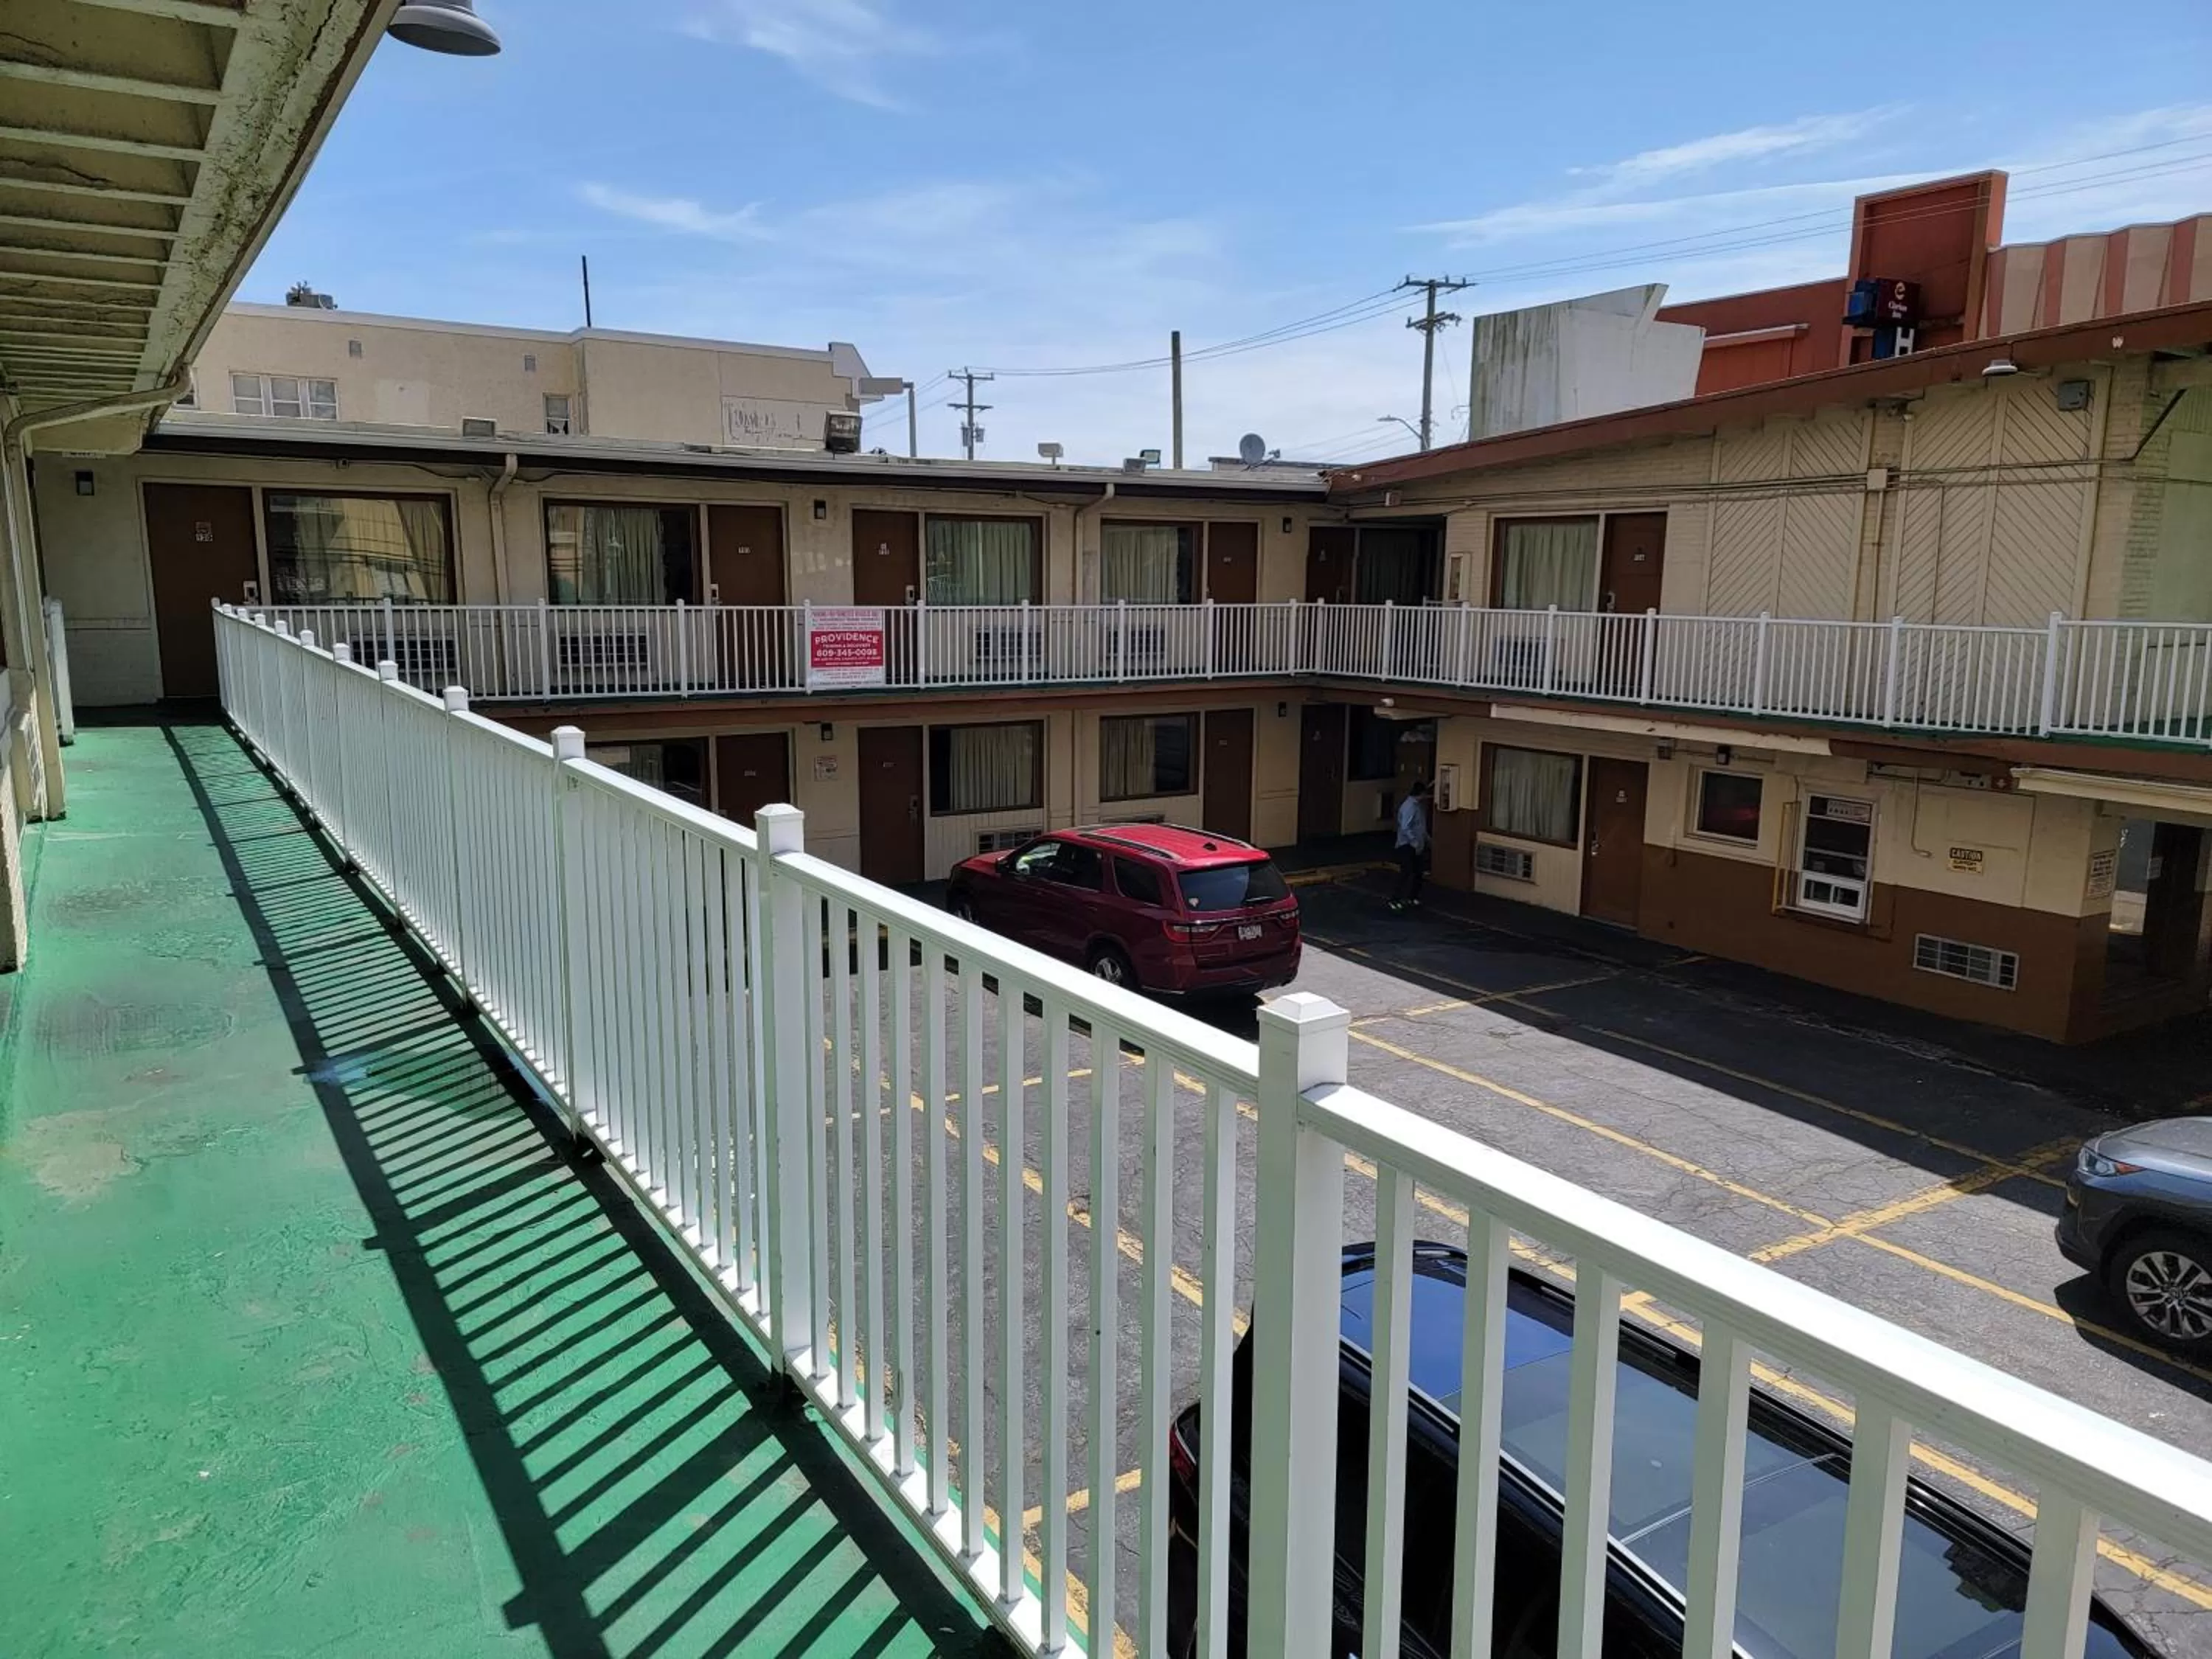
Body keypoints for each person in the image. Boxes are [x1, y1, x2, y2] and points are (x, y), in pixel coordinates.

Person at [1391, 778, 1430, 912]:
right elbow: (1405, 827)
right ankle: (1395, 899)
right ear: (1421, 793)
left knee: (1418, 872)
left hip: (1417, 844)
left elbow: (1420, 826)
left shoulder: (1418, 806)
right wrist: (1414, 841)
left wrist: (1426, 838)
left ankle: (1412, 897)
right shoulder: (1409, 806)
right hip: (1407, 845)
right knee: (1406, 871)